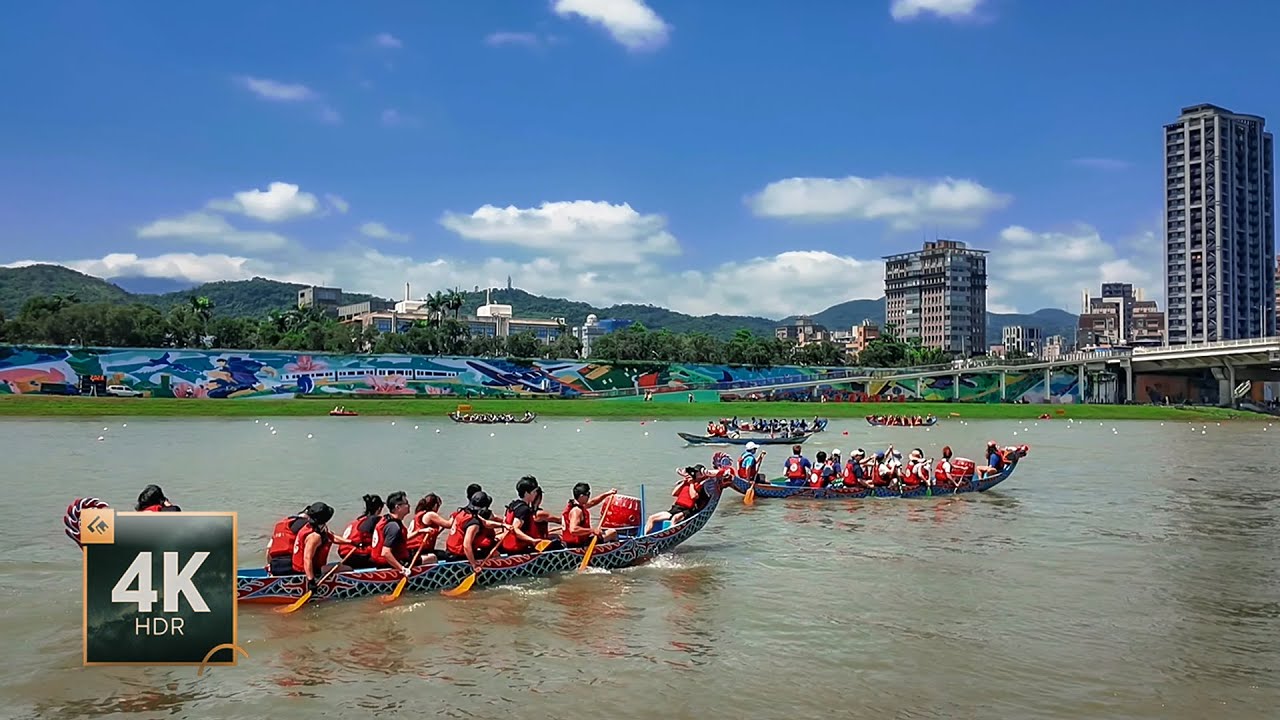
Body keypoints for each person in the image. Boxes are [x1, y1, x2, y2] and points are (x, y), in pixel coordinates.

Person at [265, 502, 354, 588]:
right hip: (301, 571)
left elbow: (332, 537)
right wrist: (311, 581)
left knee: (335, 566)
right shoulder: (314, 536)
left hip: (277, 567)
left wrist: (351, 542)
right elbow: (307, 558)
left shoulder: (306, 527)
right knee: (347, 568)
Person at [443, 491, 504, 571]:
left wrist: (503, 525)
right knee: (495, 553)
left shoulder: (462, 512)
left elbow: (485, 523)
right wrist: (474, 565)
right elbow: (466, 545)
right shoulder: (473, 523)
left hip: (449, 551)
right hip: (459, 555)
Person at [643, 466, 711, 534]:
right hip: (675, 508)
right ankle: (645, 536)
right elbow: (674, 493)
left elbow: (693, 496)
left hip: (686, 510)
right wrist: (683, 483)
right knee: (651, 518)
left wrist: (691, 484)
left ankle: (670, 535)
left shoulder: (698, 485)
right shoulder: (685, 483)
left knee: (674, 519)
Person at [499, 476, 547, 556]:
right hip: (519, 549)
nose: (536, 494)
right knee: (557, 543)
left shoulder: (513, 505)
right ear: (527, 493)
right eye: (534, 491)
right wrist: (532, 540)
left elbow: (504, 523)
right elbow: (515, 529)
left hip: (507, 545)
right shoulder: (524, 509)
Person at [561, 483, 619, 547]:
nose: (589, 496)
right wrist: (592, 530)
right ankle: (615, 552)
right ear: (581, 496)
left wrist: (607, 494)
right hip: (579, 545)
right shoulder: (577, 511)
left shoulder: (575, 504)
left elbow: (593, 502)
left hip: (572, 542)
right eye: (588, 494)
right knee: (612, 532)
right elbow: (573, 530)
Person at [370, 491, 414, 575]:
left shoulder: (388, 521)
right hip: (388, 565)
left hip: (382, 563)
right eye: (406, 503)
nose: (409, 506)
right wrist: (402, 569)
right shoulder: (393, 526)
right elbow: (385, 553)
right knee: (432, 558)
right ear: (398, 507)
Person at [341, 494, 383, 569]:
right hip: (355, 554)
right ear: (379, 508)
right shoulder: (374, 520)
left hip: (344, 553)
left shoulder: (358, 520)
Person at [405, 493, 452, 560]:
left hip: (410, 549)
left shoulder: (419, 513)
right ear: (435, 505)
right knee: (445, 556)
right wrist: (455, 516)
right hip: (418, 550)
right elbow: (449, 524)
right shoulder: (430, 514)